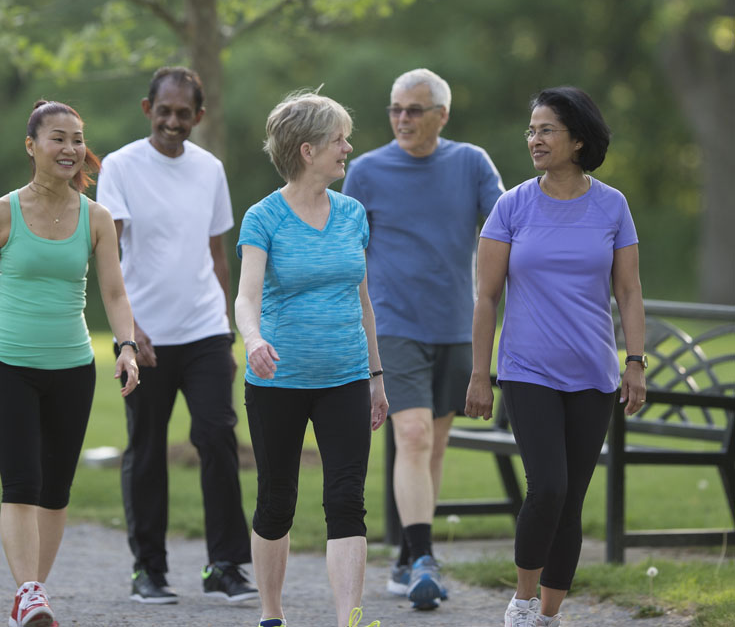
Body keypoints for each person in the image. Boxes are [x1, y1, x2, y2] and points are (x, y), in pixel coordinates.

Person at [0, 100, 140, 627]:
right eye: (57, 138)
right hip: (10, 366)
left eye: (76, 140)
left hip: (72, 369)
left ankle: (31, 593)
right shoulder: (0, 213)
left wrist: (127, 346)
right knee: (21, 483)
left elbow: (113, 291)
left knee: (55, 490)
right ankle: (29, 593)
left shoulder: (96, 217)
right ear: (32, 145)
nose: (69, 149)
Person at [465, 86, 647, 627]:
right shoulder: (512, 205)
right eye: (531, 129)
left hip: (593, 374)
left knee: (571, 500)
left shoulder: (612, 205)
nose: (534, 139)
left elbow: (630, 292)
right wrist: (481, 373)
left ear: (579, 140)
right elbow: (486, 296)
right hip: (528, 370)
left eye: (546, 129)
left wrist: (634, 362)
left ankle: (548, 614)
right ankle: (521, 603)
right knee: (548, 486)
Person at [342, 67, 504, 610]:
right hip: (393, 324)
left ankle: (408, 555)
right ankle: (425, 560)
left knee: (431, 445)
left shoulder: (470, 163)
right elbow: (349, 253)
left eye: (414, 109)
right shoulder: (365, 171)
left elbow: (505, 226)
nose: (402, 119)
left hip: (456, 327)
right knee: (411, 436)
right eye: (395, 109)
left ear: (442, 115)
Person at [95, 66, 255, 605]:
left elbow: (218, 257)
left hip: (205, 329)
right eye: (163, 110)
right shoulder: (120, 166)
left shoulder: (210, 169)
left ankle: (226, 564)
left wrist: (230, 333)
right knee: (145, 448)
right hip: (144, 338)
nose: (172, 121)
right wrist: (129, 331)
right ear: (148, 110)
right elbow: (108, 256)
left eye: (183, 113)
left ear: (198, 118)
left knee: (217, 438)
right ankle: (149, 569)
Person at [234, 91, 389, 627]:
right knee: (277, 499)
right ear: (307, 149)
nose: (348, 147)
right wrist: (253, 340)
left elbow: (363, 300)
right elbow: (246, 296)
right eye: (338, 139)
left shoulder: (352, 214)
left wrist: (376, 376)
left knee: (347, 499)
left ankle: (349, 618)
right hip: (278, 381)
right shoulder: (263, 217)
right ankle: (272, 614)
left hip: (345, 376)